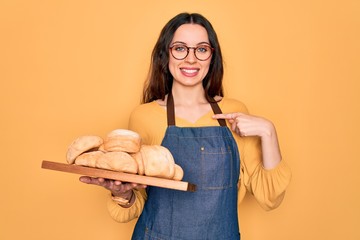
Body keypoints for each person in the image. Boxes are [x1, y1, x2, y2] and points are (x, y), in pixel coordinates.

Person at [79, 12, 291, 239]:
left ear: (212, 56)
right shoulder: (145, 116)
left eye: (201, 49)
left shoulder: (234, 114)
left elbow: (270, 197)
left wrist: (269, 131)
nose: (191, 59)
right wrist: (121, 193)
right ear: (165, 54)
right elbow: (137, 201)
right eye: (180, 48)